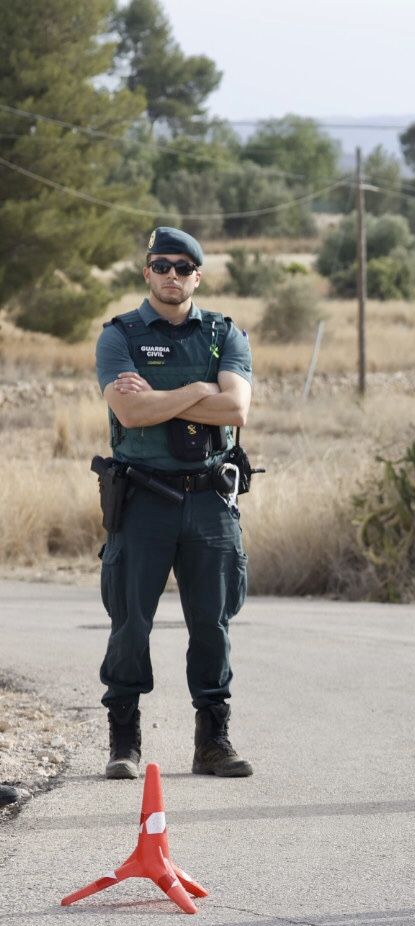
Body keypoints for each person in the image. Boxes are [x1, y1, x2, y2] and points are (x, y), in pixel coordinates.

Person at [95, 227, 255, 781]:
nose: (172, 275)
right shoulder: (119, 336)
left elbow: (236, 409)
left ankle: (213, 740)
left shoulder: (225, 333)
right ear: (147, 272)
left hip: (209, 501)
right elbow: (131, 414)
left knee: (212, 623)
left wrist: (165, 397)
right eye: (162, 265)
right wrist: (196, 392)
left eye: (183, 268)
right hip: (142, 500)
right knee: (130, 622)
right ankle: (124, 739)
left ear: (197, 277)